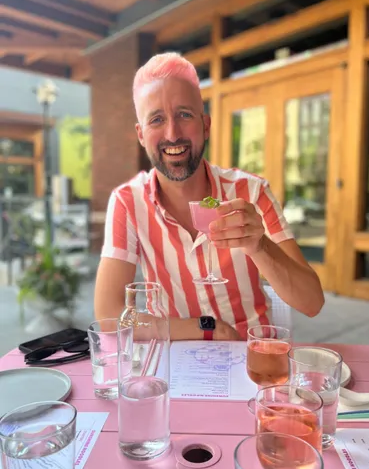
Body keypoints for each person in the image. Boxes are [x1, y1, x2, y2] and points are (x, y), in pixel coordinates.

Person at [94, 52, 324, 341]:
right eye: (156, 120)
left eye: (184, 115)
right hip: (174, 359)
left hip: (250, 358)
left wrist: (260, 246)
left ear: (205, 125)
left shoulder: (250, 192)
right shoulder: (128, 202)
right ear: (141, 135)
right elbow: (108, 315)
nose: (172, 133)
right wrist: (206, 328)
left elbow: (312, 303)